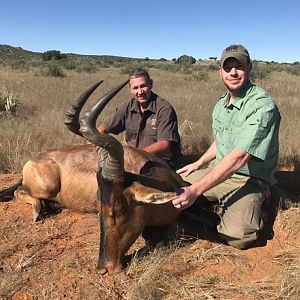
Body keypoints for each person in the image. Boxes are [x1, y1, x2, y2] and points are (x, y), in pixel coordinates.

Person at [172, 44, 281, 249]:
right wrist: (198, 163)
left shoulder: (263, 106)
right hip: (220, 171)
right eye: (227, 67)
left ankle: (261, 202)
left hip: (249, 180)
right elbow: (221, 141)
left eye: (238, 66)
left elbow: (240, 157)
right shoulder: (221, 104)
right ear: (220, 71)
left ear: (249, 68)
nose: (233, 72)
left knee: (239, 237)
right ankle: (212, 206)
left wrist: (195, 190)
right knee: (169, 189)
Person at [98, 68, 182, 169]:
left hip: (160, 161)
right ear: (130, 89)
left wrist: (133, 155)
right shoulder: (127, 107)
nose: (140, 92)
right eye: (135, 88)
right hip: (134, 161)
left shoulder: (164, 109)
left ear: (151, 84)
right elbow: (101, 130)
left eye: (143, 86)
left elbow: (164, 145)